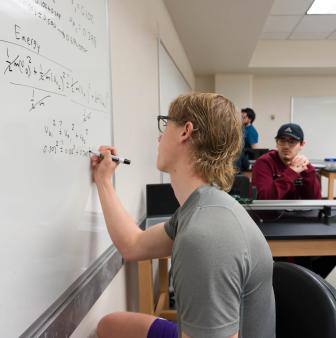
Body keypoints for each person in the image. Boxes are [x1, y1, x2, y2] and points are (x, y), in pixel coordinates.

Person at [92, 93, 275, 338]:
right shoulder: (202, 205)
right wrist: (104, 181)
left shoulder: (204, 238)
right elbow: (133, 246)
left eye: (165, 125)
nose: (159, 136)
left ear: (185, 131)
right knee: (111, 325)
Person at [251, 123, 336, 278]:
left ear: (301, 145)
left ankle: (311, 281)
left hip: (297, 222)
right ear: (276, 142)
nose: (286, 146)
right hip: (269, 223)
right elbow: (265, 199)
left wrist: (308, 173)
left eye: (292, 142)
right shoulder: (264, 163)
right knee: (289, 267)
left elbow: (314, 201)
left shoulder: (305, 165)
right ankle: (302, 282)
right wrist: (291, 172)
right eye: (282, 141)